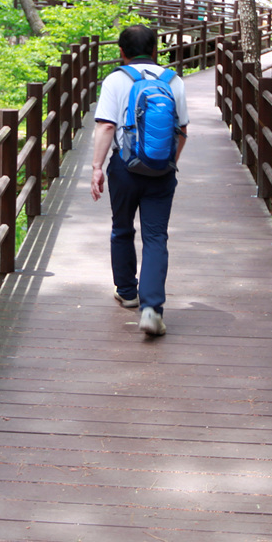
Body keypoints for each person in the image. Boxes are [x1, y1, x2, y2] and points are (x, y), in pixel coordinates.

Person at [89, 24, 188, 337]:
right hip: (162, 171)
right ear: (156, 50)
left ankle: (127, 292)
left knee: (122, 228)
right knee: (156, 237)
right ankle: (152, 309)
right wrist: (168, 164)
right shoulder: (173, 81)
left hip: (125, 168)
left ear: (121, 51)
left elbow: (106, 127)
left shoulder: (116, 79)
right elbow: (182, 131)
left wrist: (97, 167)